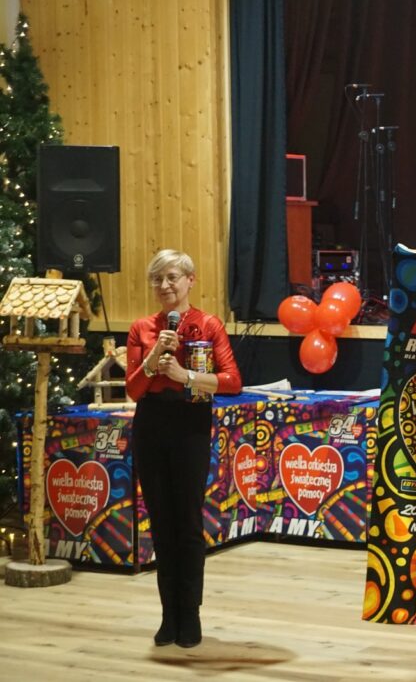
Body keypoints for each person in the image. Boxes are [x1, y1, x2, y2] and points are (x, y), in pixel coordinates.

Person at [126, 249, 242, 648]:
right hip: (151, 424)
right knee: (161, 523)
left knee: (187, 522)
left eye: (172, 277)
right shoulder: (142, 328)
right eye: (157, 279)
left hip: (190, 423)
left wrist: (185, 375)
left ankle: (190, 614)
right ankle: (168, 616)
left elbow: (233, 381)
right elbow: (134, 390)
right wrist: (154, 356)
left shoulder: (208, 324)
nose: (164, 286)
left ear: (190, 280)